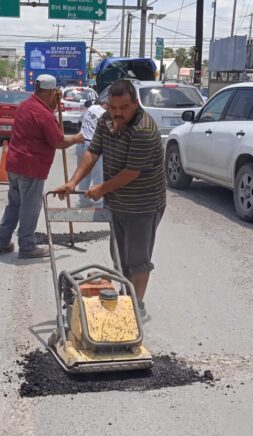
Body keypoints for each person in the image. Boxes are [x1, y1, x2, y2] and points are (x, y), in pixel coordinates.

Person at [54, 80, 166, 317]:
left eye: (124, 107)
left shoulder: (143, 129)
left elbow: (131, 173)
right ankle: (127, 300)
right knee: (120, 258)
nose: (118, 113)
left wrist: (101, 188)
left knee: (137, 260)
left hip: (143, 204)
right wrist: (73, 182)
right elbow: (92, 152)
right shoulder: (106, 121)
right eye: (113, 107)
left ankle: (136, 308)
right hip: (117, 203)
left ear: (135, 103)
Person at [0, 74, 84, 259]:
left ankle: (1, 242)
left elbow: (44, 123)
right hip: (31, 168)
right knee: (30, 207)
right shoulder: (44, 115)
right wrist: (78, 138)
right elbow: (59, 141)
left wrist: (53, 105)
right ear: (51, 92)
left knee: (15, 205)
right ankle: (27, 246)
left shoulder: (26, 106)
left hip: (14, 164)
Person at [75, 100, 107, 208]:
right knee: (98, 175)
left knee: (83, 173)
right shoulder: (106, 115)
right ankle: (98, 203)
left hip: (81, 142)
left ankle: (83, 201)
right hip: (93, 146)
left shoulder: (92, 108)